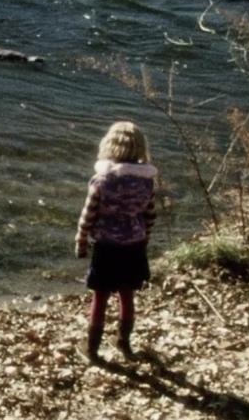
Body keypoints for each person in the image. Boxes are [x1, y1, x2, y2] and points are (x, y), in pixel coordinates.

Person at [74, 121, 157, 363]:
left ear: (109, 146)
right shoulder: (146, 181)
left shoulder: (101, 180)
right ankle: (124, 342)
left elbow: (88, 214)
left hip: (107, 246)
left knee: (100, 296)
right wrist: (145, 237)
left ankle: (92, 348)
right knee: (127, 293)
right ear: (140, 148)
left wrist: (80, 239)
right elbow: (150, 214)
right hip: (135, 245)